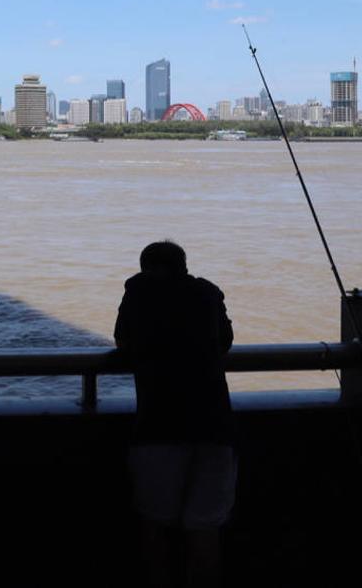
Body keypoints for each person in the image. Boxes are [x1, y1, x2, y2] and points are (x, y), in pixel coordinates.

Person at [113, 240, 236, 588]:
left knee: (155, 529)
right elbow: (225, 341)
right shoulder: (209, 293)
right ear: (184, 265)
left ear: (144, 267)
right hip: (214, 427)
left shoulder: (137, 291)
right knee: (205, 529)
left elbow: (123, 341)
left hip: (158, 426)